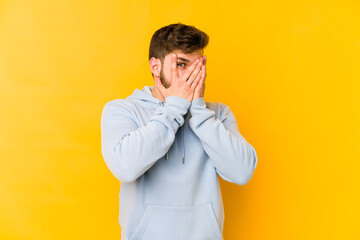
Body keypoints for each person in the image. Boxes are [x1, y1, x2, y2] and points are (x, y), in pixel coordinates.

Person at [101, 22, 258, 240]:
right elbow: (125, 167)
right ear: (155, 66)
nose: (191, 77)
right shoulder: (122, 110)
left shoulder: (218, 114)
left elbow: (242, 172)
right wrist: (175, 108)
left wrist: (199, 112)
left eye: (198, 67)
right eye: (182, 65)